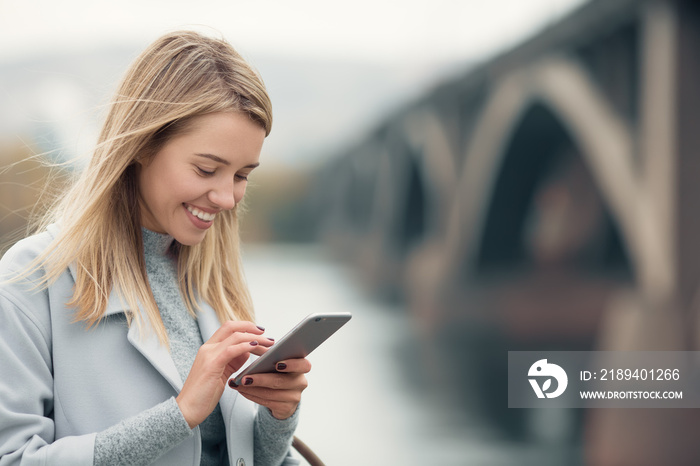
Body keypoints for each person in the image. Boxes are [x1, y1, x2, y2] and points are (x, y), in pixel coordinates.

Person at [0, 30, 310, 466]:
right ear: (142, 145)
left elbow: (242, 457)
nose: (226, 197)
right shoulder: (31, 279)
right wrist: (179, 414)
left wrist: (279, 416)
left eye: (242, 175)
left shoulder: (213, 280)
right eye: (207, 169)